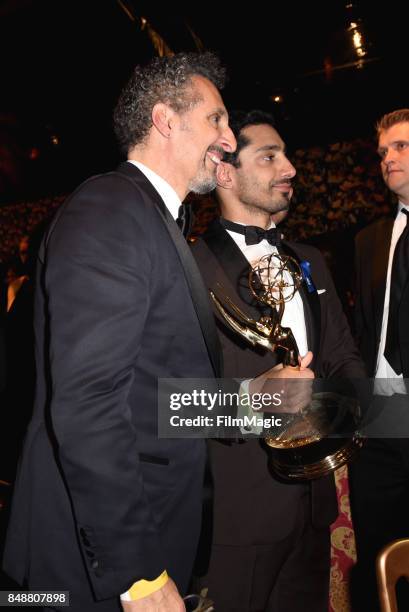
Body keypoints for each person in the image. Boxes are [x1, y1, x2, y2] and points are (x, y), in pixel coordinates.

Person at [2, 52, 236, 612]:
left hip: (145, 541)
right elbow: (86, 403)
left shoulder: (153, 219)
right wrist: (136, 573)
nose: (229, 139)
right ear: (165, 120)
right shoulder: (109, 207)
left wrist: (257, 406)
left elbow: (154, 401)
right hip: (85, 568)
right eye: (217, 120)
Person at [191, 110, 366, 612]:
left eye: (286, 154)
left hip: (314, 509)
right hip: (234, 518)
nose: (289, 167)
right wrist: (251, 402)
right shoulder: (186, 271)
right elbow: (163, 404)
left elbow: (341, 355)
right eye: (270, 156)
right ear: (225, 172)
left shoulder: (310, 260)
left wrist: (354, 408)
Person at [349, 108, 409, 611]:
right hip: (381, 422)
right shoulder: (368, 241)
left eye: (402, 147)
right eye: (384, 152)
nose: (388, 159)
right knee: (378, 556)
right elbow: (363, 332)